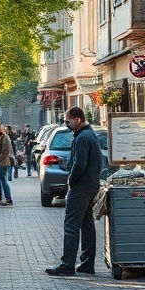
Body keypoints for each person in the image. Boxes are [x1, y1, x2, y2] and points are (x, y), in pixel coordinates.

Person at [46, 106, 102, 276]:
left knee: (71, 224)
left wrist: (71, 180)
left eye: (68, 120)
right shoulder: (89, 135)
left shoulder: (82, 138)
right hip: (91, 184)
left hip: (81, 186)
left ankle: (67, 264)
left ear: (77, 120)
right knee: (86, 224)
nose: (66, 124)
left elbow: (80, 164)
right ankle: (86, 263)